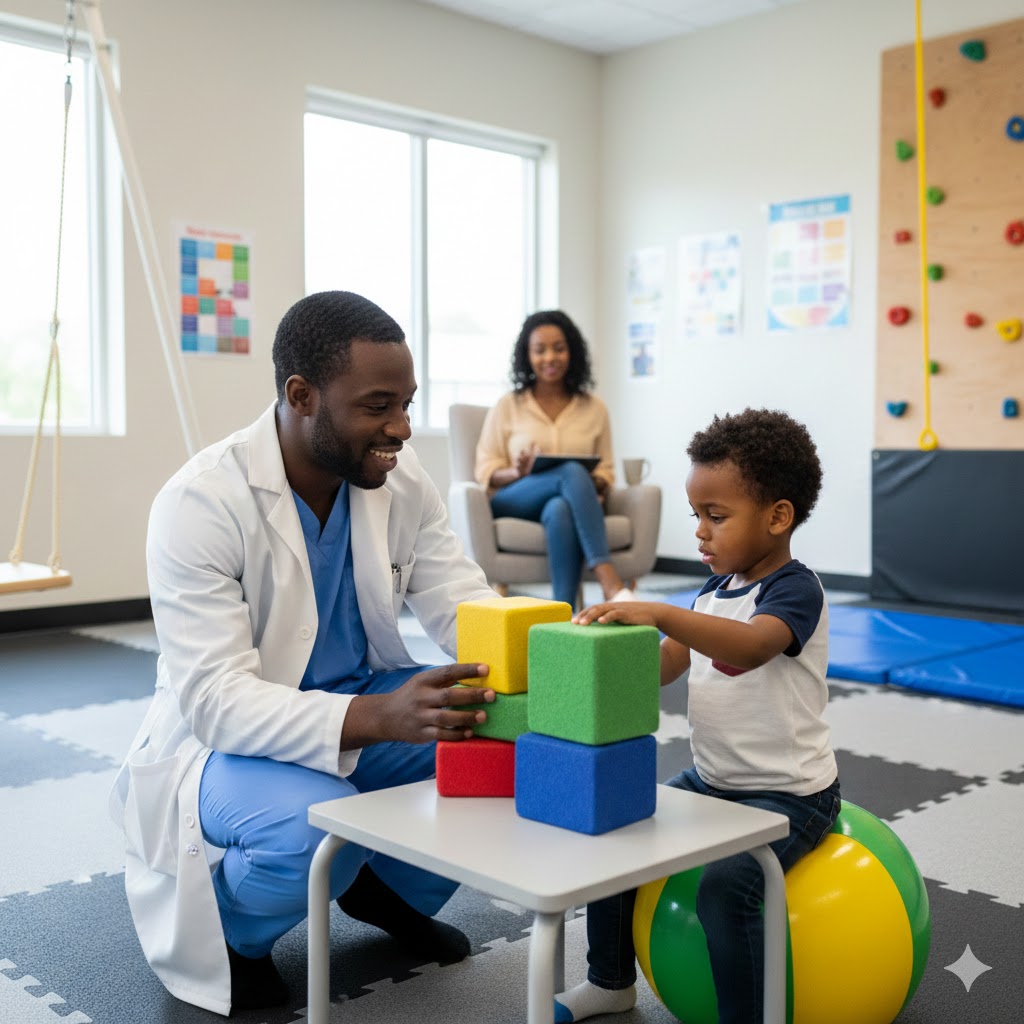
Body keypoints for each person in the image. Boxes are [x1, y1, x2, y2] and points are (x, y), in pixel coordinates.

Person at [108, 290, 499, 1017]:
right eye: (379, 405)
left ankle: (389, 891)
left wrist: (570, 648)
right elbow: (219, 700)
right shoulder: (200, 502)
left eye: (408, 403)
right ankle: (234, 936)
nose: (401, 429)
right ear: (302, 395)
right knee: (310, 825)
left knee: (504, 732)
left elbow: (464, 604)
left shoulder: (397, 480)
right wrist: (380, 716)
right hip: (231, 742)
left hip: (361, 702)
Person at [555, 408, 841, 1024]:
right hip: (715, 783)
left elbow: (752, 646)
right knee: (615, 826)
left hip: (790, 795)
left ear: (777, 517)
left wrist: (660, 612)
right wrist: (597, 650)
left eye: (716, 517)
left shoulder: (794, 590)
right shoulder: (711, 593)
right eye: (697, 517)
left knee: (727, 885)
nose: (701, 534)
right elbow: (665, 668)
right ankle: (608, 980)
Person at [474, 309, 635, 609]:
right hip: (515, 499)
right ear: (527, 355)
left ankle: (563, 616)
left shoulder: (594, 408)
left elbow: (607, 471)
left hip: (565, 503)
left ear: (572, 352)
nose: (550, 357)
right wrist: (517, 472)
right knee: (571, 471)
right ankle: (609, 579)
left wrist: (590, 487)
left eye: (559, 349)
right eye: (540, 350)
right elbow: (485, 468)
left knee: (561, 507)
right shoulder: (508, 405)